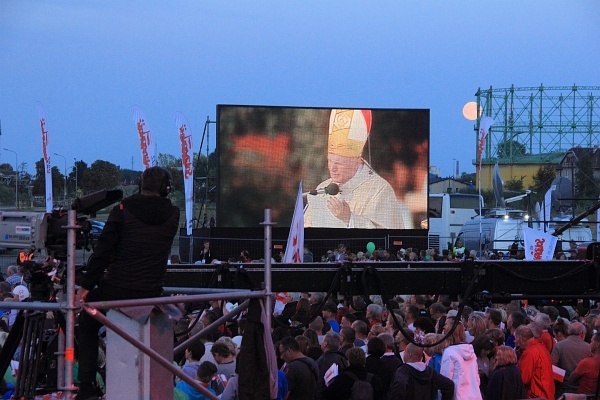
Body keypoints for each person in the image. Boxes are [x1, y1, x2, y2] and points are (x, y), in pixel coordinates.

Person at [76, 166, 180, 400]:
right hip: (152, 290)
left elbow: (103, 252)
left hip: (118, 288)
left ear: (141, 185)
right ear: (166, 188)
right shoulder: (174, 213)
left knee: (88, 320)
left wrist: (86, 286)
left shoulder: (122, 210)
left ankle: (86, 387)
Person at [304, 109, 410, 229]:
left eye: (339, 163)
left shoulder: (380, 190)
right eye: (330, 161)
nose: (333, 168)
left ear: (356, 162)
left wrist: (349, 218)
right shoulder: (322, 188)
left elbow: (388, 235)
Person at [389, 343, 454, 400]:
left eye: (405, 352)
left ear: (410, 354)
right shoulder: (430, 372)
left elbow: (399, 386)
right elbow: (448, 385)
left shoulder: (404, 370)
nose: (403, 355)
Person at [551, 321, 592, 395]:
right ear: (582, 334)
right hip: (582, 390)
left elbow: (552, 367)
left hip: (563, 388)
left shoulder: (559, 346)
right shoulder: (589, 348)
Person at [514, 324, 554, 400]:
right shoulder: (541, 347)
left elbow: (524, 379)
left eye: (516, 338)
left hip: (537, 396)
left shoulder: (530, 352)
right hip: (547, 394)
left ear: (521, 338)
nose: (516, 342)